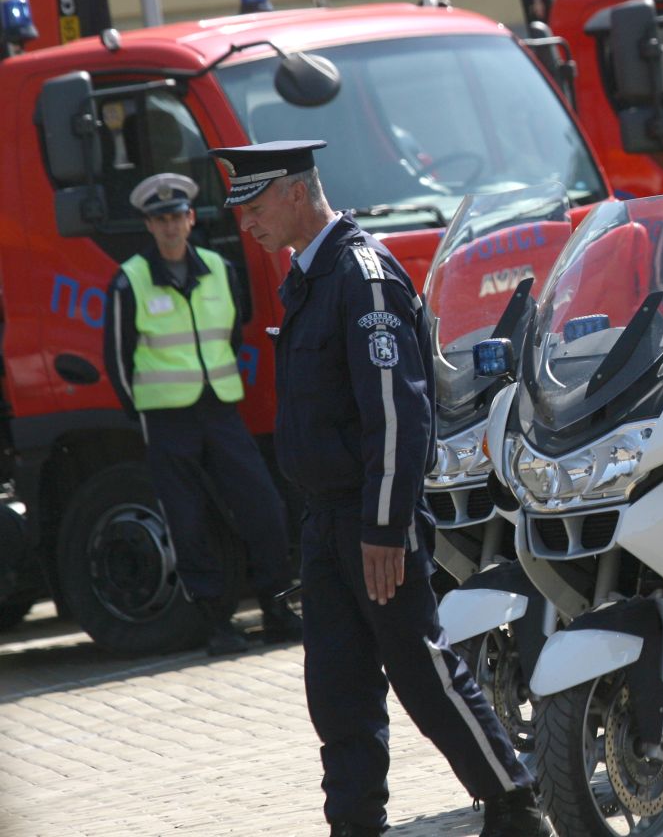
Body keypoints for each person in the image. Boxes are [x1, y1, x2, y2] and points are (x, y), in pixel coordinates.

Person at [217, 141, 548, 837]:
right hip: (325, 520)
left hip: (368, 521)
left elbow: (398, 413)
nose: (245, 220)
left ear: (296, 193)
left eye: (254, 203)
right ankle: (355, 825)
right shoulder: (310, 276)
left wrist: (385, 526)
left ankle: (513, 804)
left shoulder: (361, 276)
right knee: (336, 693)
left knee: (422, 673)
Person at [103, 173, 301, 656]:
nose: (170, 226)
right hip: (167, 420)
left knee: (263, 508)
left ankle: (277, 609)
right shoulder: (129, 279)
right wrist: (146, 407)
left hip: (219, 411)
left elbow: (229, 337)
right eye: (159, 219)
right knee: (188, 523)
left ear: (190, 219)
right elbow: (117, 357)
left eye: (176, 216)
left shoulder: (219, 268)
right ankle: (218, 624)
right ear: (149, 226)